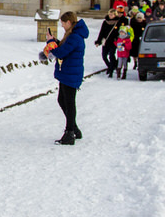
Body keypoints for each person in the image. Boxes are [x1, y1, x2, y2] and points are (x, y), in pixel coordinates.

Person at [45, 11, 89, 145]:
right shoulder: (72, 35)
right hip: (68, 72)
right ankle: (74, 128)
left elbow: (62, 52)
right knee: (62, 100)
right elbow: (64, 47)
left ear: (69, 22)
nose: (62, 26)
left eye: (63, 23)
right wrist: (56, 41)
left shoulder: (75, 36)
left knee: (69, 103)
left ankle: (70, 133)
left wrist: (51, 43)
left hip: (71, 73)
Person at [95, 8, 127, 78]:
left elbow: (120, 32)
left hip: (114, 42)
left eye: (112, 15)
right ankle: (110, 66)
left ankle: (111, 70)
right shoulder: (105, 22)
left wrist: (120, 40)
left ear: (114, 15)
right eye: (109, 14)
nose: (110, 16)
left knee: (111, 55)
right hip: (106, 41)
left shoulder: (118, 22)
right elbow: (102, 32)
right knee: (104, 56)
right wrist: (98, 41)